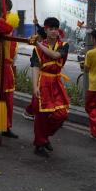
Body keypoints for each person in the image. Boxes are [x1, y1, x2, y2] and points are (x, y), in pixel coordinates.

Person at [30, 17, 70, 158]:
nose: (54, 31)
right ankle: (40, 143)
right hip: (43, 81)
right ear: (45, 30)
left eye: (55, 29)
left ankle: (43, 136)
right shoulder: (37, 49)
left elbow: (55, 55)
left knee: (62, 114)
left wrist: (39, 44)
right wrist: (34, 86)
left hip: (56, 82)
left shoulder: (63, 45)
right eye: (50, 29)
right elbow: (35, 67)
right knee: (41, 116)